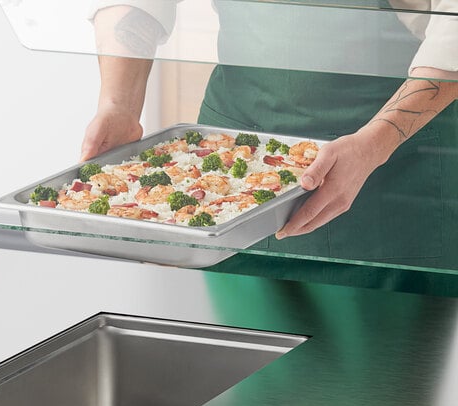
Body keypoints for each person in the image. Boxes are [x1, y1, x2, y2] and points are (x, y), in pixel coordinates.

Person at [81, 2, 458, 292]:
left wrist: (376, 143)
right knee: (235, 376)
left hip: (386, 171)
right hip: (227, 175)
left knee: (385, 383)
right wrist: (118, 105)